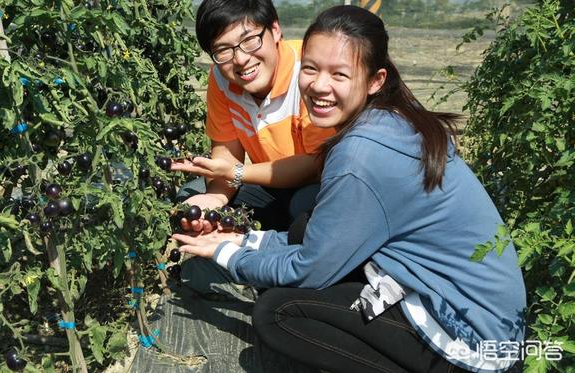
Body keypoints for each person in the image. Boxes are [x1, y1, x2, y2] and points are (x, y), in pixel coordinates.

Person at [173, 5, 526, 373]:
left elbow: (310, 269)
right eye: (310, 70)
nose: (319, 86)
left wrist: (230, 255)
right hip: (461, 304)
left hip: (473, 339)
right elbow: (320, 245)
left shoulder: (360, 155)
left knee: (279, 313)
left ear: (375, 80)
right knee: (304, 232)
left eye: (339, 74)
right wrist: (246, 242)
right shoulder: (393, 118)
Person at [171, 0, 335, 233]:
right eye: (223, 50)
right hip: (271, 185)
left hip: (322, 185)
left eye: (249, 40)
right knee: (192, 196)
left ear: (275, 30)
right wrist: (215, 199)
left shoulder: (309, 70)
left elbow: (316, 164)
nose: (240, 59)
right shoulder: (221, 79)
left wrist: (237, 173)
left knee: (305, 207)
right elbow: (225, 156)